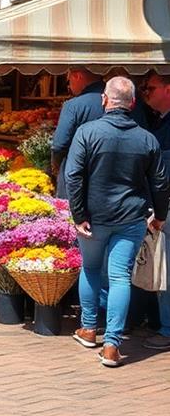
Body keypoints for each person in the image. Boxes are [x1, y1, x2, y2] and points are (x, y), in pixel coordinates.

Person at [65, 77, 168, 367]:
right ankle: (111, 344)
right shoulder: (147, 138)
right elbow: (160, 182)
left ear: (104, 100)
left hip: (94, 218)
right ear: (133, 103)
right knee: (121, 276)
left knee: (91, 267)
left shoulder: (87, 132)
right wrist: (159, 215)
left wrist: (79, 214)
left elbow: (73, 176)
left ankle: (87, 328)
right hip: (131, 217)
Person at [140, 73, 170, 351]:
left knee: (166, 267)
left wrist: (159, 211)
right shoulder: (159, 121)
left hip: (167, 206)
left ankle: (167, 328)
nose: (145, 93)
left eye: (150, 88)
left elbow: (163, 175)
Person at [51, 69, 105, 198]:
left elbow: (59, 145)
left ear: (77, 76)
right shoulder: (130, 102)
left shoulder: (73, 105)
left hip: (80, 178)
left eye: (69, 80)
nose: (69, 86)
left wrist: (56, 167)